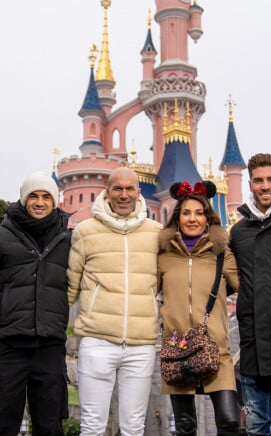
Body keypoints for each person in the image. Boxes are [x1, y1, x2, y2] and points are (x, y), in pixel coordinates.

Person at [0, 172, 72, 436]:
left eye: (45, 197)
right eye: (33, 196)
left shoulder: (68, 240)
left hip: (49, 346)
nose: (39, 202)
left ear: (54, 201)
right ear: (24, 199)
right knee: (0, 425)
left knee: (50, 426)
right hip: (8, 346)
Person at [67, 167, 161, 436]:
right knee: (92, 426)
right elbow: (71, 286)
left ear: (138, 192)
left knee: (133, 427)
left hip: (141, 344)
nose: (123, 195)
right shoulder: (85, 231)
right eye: (117, 188)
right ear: (107, 191)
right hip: (97, 340)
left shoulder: (156, 233)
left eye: (129, 188)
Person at [158, 180, 240, 436]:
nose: (192, 219)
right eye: (186, 213)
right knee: (184, 426)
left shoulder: (222, 255)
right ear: (177, 218)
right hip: (177, 351)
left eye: (199, 213)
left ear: (208, 218)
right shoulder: (164, 255)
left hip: (216, 349)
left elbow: (244, 288)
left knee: (228, 420)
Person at [230, 153, 271, 436]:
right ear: (250, 185)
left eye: (270, 180)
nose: (265, 186)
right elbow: (228, 278)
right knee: (256, 427)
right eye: (258, 181)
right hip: (254, 344)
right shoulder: (239, 232)